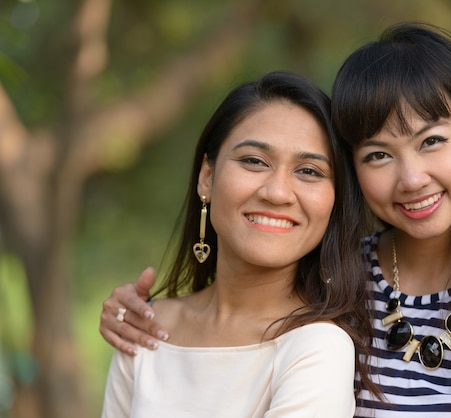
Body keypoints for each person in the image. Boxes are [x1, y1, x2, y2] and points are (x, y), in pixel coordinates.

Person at [99, 23, 451, 417]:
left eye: (431, 142)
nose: (411, 178)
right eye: (379, 155)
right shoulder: (336, 275)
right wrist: (138, 316)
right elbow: (238, 318)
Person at [100, 70, 378, 418]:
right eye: (254, 161)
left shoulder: (316, 346)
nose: (277, 192)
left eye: (309, 171)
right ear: (207, 177)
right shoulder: (142, 329)